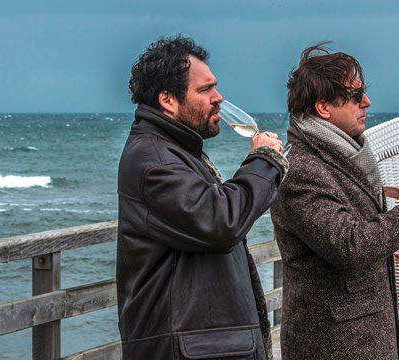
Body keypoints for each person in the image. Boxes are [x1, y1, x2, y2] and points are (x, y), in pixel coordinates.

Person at [270, 43, 399, 360]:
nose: (366, 102)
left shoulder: (343, 155)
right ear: (323, 107)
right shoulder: (301, 170)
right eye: (355, 96)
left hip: (363, 336)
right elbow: (350, 245)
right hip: (335, 344)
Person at [116, 35, 288, 360]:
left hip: (202, 347)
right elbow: (221, 222)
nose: (218, 98)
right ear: (168, 100)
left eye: (215, 87)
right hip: (187, 350)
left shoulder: (175, 150)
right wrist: (264, 161)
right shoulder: (154, 161)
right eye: (205, 89)